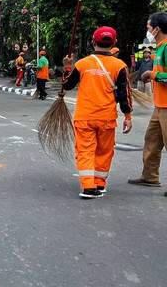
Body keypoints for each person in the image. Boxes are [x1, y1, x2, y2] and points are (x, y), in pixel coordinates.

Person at [61, 26, 133, 199]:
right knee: (104, 151)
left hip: (84, 117)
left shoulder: (82, 64)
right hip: (106, 118)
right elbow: (125, 95)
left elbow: (67, 84)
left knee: (85, 151)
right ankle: (100, 185)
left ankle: (88, 186)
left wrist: (67, 66)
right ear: (114, 43)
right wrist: (128, 117)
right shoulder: (120, 65)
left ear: (93, 42)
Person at [128, 12, 167, 192]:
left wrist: (153, 75)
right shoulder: (158, 48)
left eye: (149, 27)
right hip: (159, 106)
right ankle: (150, 177)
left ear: (157, 29)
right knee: (151, 141)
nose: (148, 31)